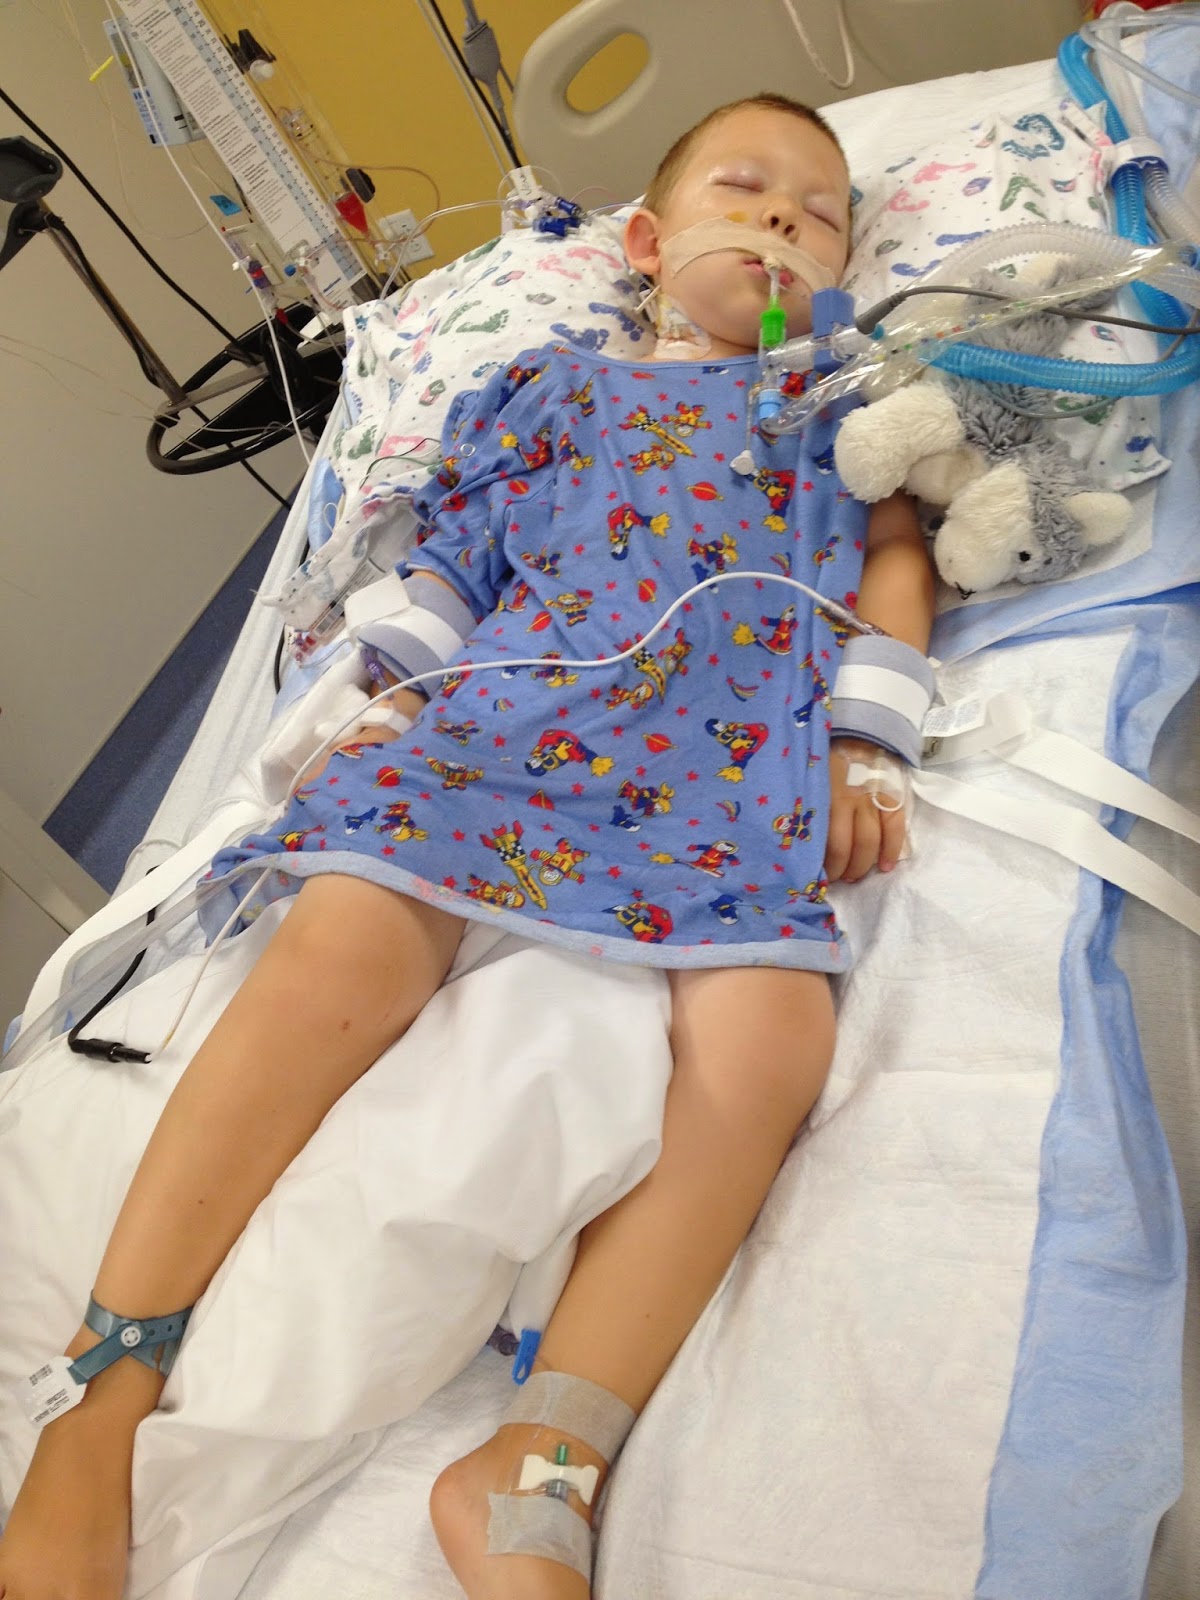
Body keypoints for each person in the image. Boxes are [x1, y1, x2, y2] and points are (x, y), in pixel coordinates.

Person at [0, 94, 934, 1600]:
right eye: (744, 188)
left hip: (722, 766)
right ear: (646, 243)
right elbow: (453, 560)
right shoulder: (551, 387)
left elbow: (895, 562)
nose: (782, 218)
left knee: (772, 1044)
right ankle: (102, 1392)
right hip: (503, 728)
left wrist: (867, 740)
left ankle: (541, 1465)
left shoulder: (842, 409)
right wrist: (375, 696)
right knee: (338, 948)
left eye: (820, 213)